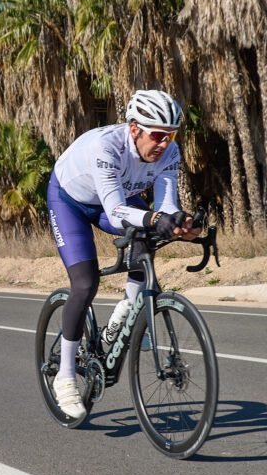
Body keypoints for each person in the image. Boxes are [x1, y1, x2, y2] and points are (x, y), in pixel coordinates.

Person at [46, 89, 200, 419]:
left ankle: (127, 315)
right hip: (70, 201)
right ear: (134, 129)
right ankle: (66, 376)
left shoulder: (169, 152)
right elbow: (116, 213)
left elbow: (165, 206)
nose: (164, 143)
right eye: (158, 135)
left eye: (171, 135)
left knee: (149, 233)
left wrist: (181, 223)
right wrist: (156, 218)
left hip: (112, 200)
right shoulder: (107, 147)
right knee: (85, 285)